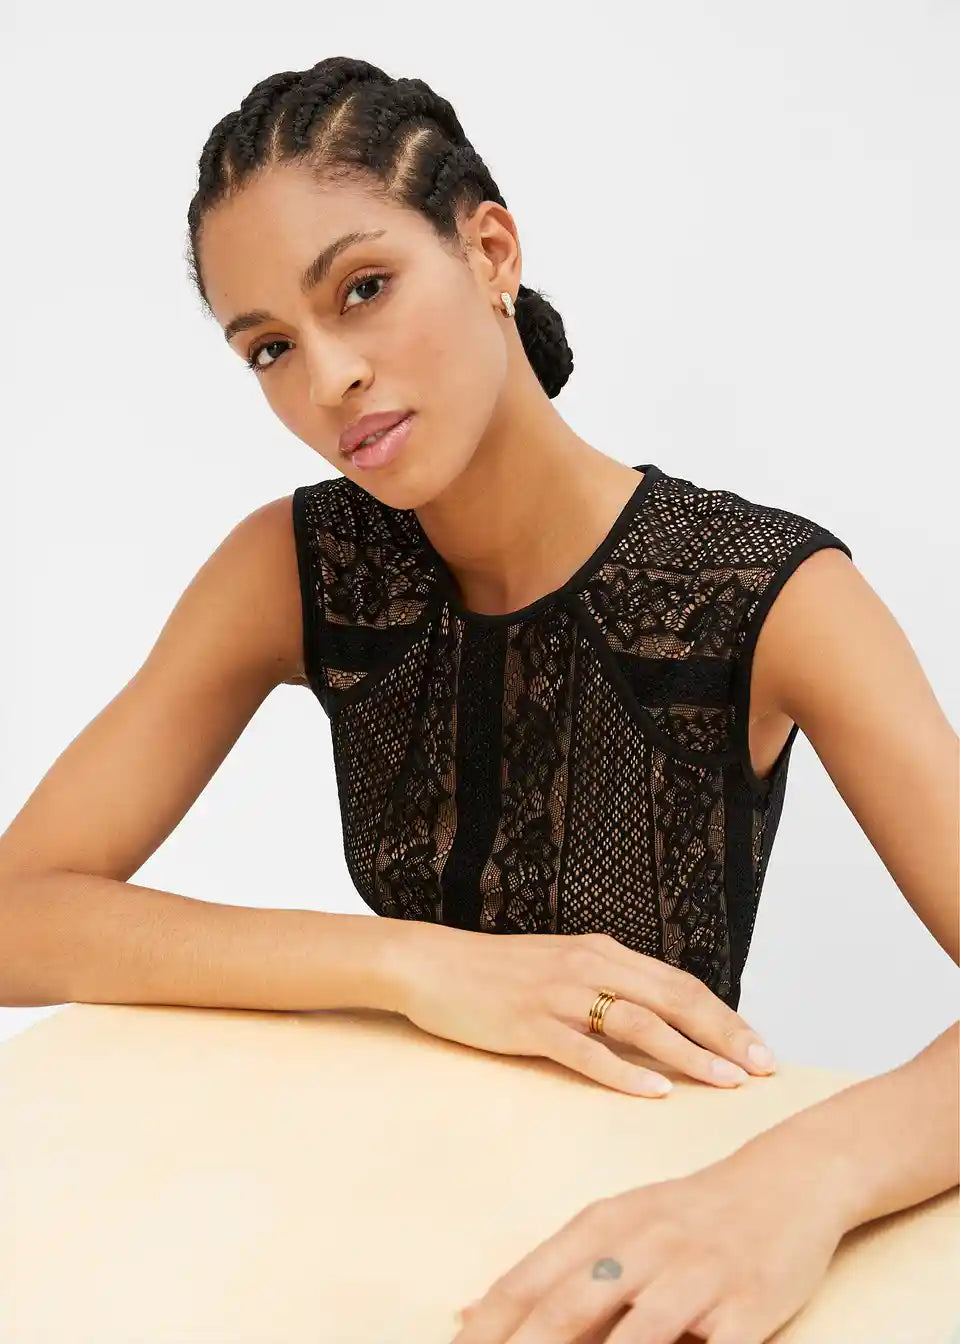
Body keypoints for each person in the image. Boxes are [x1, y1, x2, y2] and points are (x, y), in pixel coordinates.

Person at [1, 55, 956, 1344]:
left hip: (645, 1224)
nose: (327, 378)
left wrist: (796, 1182)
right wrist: (414, 964)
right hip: (367, 1205)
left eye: (363, 289)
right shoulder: (294, 568)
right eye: (270, 347)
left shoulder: (770, 593)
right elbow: (17, 914)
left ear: (491, 251)